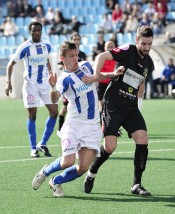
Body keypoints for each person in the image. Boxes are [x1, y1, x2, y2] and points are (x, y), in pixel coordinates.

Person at [31, 41, 124, 197]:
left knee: (83, 167)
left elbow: (97, 76)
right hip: (74, 125)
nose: (75, 59)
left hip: (92, 126)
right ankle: (45, 171)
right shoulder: (63, 79)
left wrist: (112, 75)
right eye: (71, 56)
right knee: (67, 162)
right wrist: (53, 87)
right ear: (63, 58)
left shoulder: (86, 66)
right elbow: (54, 99)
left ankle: (55, 181)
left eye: (76, 55)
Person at [82, 25, 155, 196]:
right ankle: (91, 173)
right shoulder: (127, 50)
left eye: (149, 44)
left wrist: (139, 105)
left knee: (142, 139)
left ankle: (136, 184)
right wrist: (95, 75)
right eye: (143, 43)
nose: (146, 47)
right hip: (113, 104)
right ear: (137, 40)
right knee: (110, 147)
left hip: (130, 106)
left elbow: (141, 83)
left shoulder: (148, 62)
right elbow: (102, 55)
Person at [4, 21, 58, 158]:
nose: (36, 32)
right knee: (32, 114)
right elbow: (11, 64)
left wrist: (51, 74)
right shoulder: (25, 47)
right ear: (30, 32)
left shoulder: (47, 45)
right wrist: (8, 82)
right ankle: (33, 148)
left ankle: (43, 143)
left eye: (38, 30)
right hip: (30, 85)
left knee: (54, 112)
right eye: (34, 30)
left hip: (45, 84)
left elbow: (46, 60)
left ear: (41, 31)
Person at [57, 32, 87, 133]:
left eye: (78, 39)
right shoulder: (66, 53)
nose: (76, 41)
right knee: (65, 108)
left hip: (80, 84)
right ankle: (61, 130)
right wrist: (67, 66)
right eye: (74, 39)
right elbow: (60, 66)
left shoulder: (82, 54)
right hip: (69, 84)